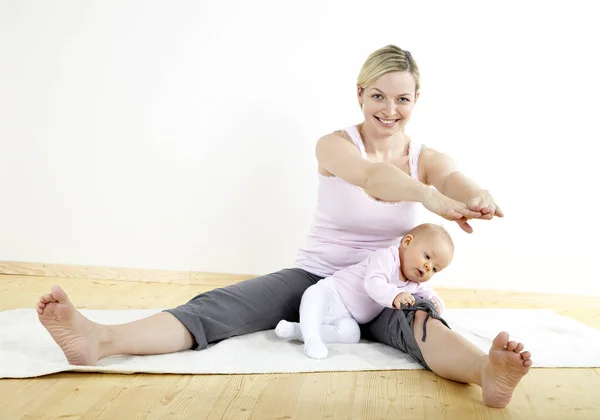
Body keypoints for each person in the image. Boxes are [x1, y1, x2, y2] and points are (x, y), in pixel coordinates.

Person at [35, 44, 532, 408]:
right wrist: (426, 196)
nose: (389, 110)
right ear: (360, 94)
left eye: (403, 100)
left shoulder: (425, 157)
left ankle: (486, 372)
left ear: (417, 99)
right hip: (317, 274)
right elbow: (375, 180)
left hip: (384, 285)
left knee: (422, 321)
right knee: (219, 307)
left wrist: (477, 198)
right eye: (378, 96)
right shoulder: (334, 146)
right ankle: (100, 339)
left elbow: (454, 178)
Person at [275, 222, 452, 360]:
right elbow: (373, 283)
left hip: (349, 317)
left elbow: (430, 295)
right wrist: (395, 295)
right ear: (407, 242)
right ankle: (312, 338)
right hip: (333, 293)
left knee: (352, 334)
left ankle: (297, 331)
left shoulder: (415, 283)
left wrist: (437, 304)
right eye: (427, 257)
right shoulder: (387, 257)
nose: (428, 267)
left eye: (435, 269)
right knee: (315, 296)